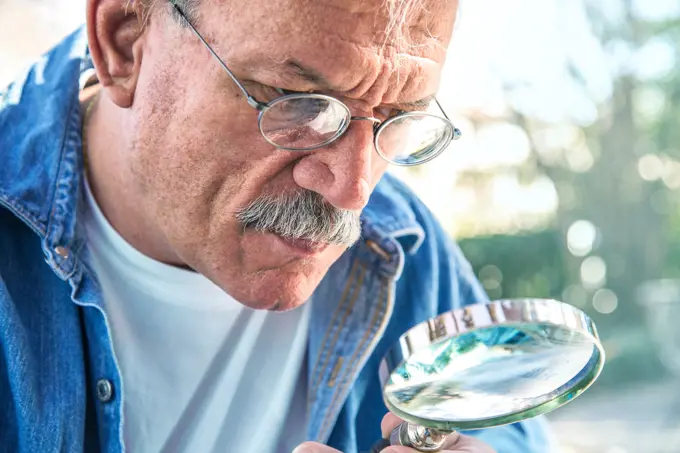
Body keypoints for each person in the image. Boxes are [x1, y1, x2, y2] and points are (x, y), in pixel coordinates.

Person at [0, 0, 554, 452]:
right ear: (123, 41)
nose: (354, 192)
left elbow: (508, 430)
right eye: (298, 104)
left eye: (398, 119)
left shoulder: (406, 249)